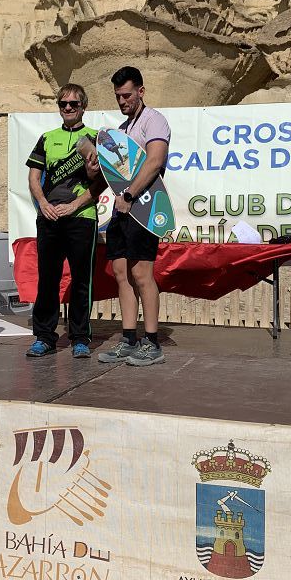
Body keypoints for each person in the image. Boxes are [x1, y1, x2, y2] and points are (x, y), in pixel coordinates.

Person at [96, 66, 171, 367]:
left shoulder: (154, 121)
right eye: (117, 96)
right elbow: (113, 172)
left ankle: (152, 343)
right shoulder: (123, 130)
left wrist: (128, 196)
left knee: (141, 274)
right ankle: (128, 339)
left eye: (127, 95)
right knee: (121, 274)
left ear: (141, 91)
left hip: (144, 207)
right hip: (121, 210)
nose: (122, 101)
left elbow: (154, 161)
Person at [25, 84, 101, 359]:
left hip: (81, 217)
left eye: (74, 104)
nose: (68, 108)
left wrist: (74, 205)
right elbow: (34, 177)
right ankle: (44, 337)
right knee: (48, 279)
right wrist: (44, 205)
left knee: (82, 280)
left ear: (84, 107)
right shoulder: (47, 138)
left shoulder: (95, 138)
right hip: (49, 217)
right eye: (63, 104)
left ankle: (80, 338)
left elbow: (101, 182)